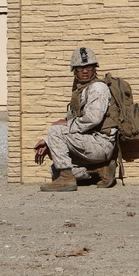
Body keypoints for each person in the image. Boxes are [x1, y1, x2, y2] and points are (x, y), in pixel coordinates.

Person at [33, 46, 118, 192]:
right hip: (90, 143)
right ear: (74, 71)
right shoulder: (81, 90)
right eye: (80, 68)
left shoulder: (98, 88)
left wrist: (63, 126)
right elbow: (72, 120)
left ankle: (67, 180)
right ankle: (99, 169)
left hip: (101, 143)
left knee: (55, 130)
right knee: (55, 170)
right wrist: (48, 142)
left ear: (94, 68)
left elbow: (93, 119)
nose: (85, 71)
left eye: (89, 67)